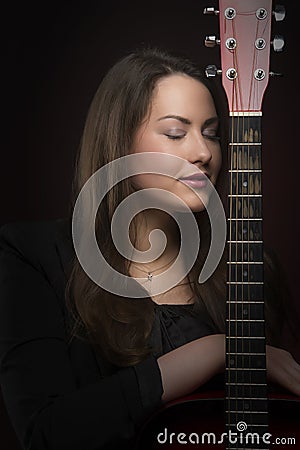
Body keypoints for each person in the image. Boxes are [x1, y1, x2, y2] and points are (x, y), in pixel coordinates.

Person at [0, 47, 299, 450]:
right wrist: (219, 350)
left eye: (211, 133)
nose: (204, 153)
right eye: (176, 133)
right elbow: (46, 434)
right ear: (120, 142)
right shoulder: (33, 256)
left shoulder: (250, 266)